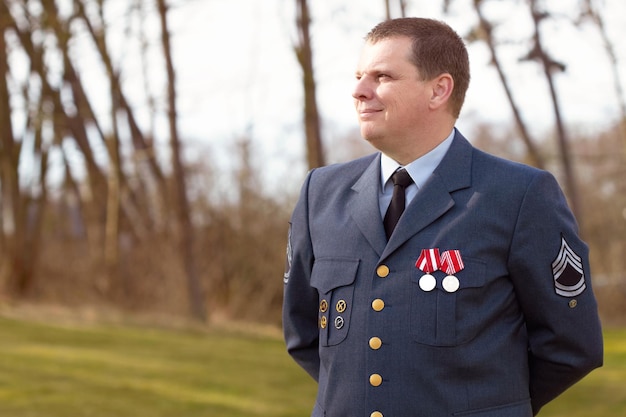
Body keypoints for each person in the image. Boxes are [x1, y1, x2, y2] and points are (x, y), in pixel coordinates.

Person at [282, 17, 603, 417]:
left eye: (381, 76)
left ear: (439, 89)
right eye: (359, 75)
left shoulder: (518, 195)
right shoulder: (320, 193)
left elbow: (572, 347)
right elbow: (303, 333)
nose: (359, 91)